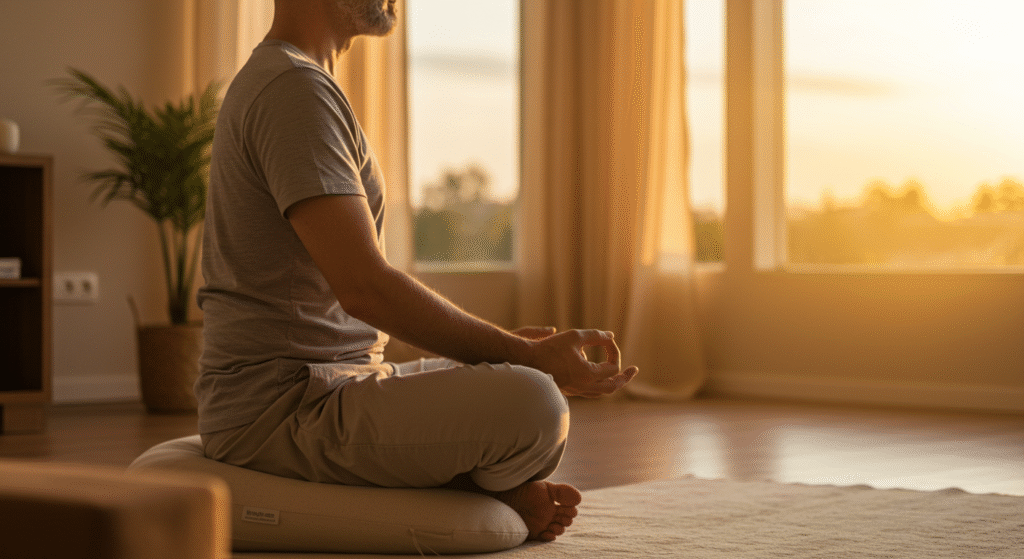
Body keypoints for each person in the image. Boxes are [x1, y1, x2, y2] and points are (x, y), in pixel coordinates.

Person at [195, 0, 639, 543]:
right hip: (281, 411)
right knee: (535, 403)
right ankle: (476, 483)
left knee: (518, 383)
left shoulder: (300, 82)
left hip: (339, 383)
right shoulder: (293, 90)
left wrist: (498, 354)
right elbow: (365, 289)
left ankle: (468, 477)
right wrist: (515, 355)